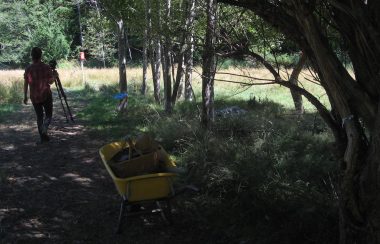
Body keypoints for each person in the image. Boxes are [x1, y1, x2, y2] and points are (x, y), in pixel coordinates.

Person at [23, 47, 56, 144]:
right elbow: (50, 81)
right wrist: (55, 76)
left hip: (34, 96)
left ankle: (42, 138)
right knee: (48, 115)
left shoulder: (28, 68)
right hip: (46, 94)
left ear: (31, 56)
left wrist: (25, 96)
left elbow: (26, 83)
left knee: (39, 117)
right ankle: (45, 128)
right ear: (41, 55)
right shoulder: (46, 67)